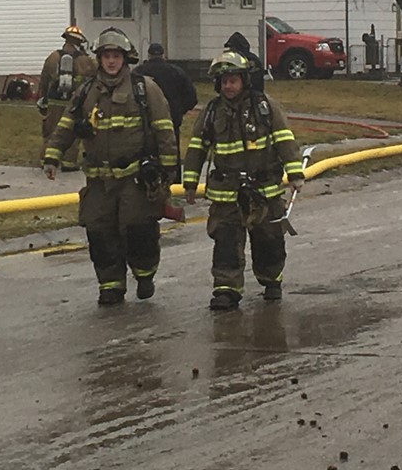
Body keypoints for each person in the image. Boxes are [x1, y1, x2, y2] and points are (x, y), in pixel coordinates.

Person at [42, 27, 180, 305]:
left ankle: (144, 274)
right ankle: (111, 285)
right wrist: (52, 155)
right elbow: (66, 125)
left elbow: (164, 130)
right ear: (100, 59)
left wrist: (167, 174)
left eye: (116, 56)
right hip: (98, 180)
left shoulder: (145, 89)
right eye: (106, 56)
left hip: (135, 178)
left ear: (125, 58)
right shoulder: (85, 92)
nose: (111, 61)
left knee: (138, 229)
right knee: (99, 232)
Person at [182, 50, 305, 311]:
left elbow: (285, 141)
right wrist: (190, 183)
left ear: (244, 81)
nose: (228, 86)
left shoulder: (265, 107)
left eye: (233, 80)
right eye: (224, 81)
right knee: (226, 243)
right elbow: (197, 148)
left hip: (264, 191)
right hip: (226, 194)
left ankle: (271, 280)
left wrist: (295, 174)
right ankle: (226, 290)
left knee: (268, 241)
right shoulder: (212, 112)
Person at [39, 25, 98, 160]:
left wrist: (44, 97)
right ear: (79, 41)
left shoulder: (52, 57)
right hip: (74, 101)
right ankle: (69, 162)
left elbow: (44, 79)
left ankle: (46, 159)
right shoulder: (86, 60)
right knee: (71, 130)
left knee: (50, 130)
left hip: (54, 100)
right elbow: (96, 76)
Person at [132, 43, 198, 133]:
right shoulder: (176, 72)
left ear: (149, 55)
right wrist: (179, 111)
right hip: (171, 123)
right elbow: (191, 98)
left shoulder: (138, 73)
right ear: (163, 55)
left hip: (145, 125)